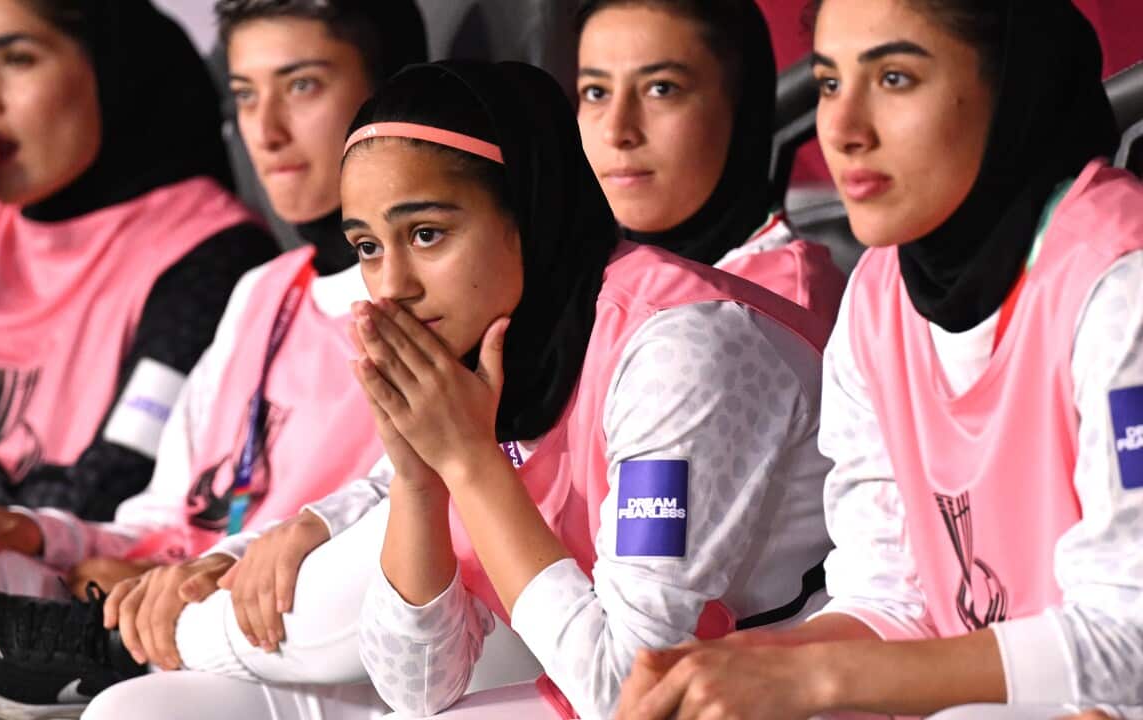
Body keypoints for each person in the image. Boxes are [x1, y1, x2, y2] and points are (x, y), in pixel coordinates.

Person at [0, 4, 535, 720]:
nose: (266, 130)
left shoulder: (438, 298)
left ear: (386, 95)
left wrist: (181, 586)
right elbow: (165, 512)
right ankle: (126, 641)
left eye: (301, 86)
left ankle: (125, 646)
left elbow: (388, 525)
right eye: (245, 95)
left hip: (305, 627)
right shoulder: (264, 290)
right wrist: (47, 532)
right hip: (189, 597)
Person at [613, 1, 1143, 718]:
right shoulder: (881, 290)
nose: (844, 129)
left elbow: (1130, 640)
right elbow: (891, 598)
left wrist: (816, 681)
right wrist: (737, 666)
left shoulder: (1121, 279)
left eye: (894, 78)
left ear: (1012, 87)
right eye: (831, 83)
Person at [339, 60, 832, 720]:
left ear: (531, 210)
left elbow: (629, 690)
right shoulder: (495, 361)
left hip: (806, 694)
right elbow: (416, 686)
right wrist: (417, 477)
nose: (393, 283)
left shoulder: (681, 353)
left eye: (427, 234)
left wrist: (469, 461)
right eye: (369, 247)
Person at [0, 0, 282, 715]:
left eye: (17, 60)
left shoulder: (207, 250)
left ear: (109, 73)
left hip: (76, 579)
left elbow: (117, 486)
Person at [575, 0, 845, 324]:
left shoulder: (773, 306)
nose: (616, 131)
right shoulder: (574, 271)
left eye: (661, 89)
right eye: (595, 92)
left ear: (743, 109)